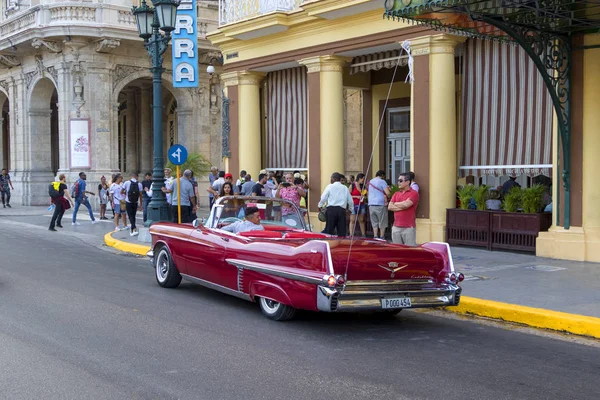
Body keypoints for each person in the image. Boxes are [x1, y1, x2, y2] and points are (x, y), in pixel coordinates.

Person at [388, 172, 420, 246]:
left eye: (401, 181)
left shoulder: (414, 193)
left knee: (410, 252)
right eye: (398, 180)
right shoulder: (396, 194)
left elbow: (406, 205)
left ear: (408, 182)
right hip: (396, 227)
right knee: (397, 251)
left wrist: (395, 203)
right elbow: (390, 207)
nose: (398, 182)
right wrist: (402, 205)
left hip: (408, 228)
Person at [318, 172, 354, 237]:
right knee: (341, 231)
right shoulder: (345, 188)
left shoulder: (329, 186)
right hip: (341, 211)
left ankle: (329, 244)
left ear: (334, 179)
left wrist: (320, 205)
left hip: (331, 210)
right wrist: (350, 210)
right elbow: (350, 201)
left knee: (329, 230)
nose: (330, 180)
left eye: (331, 178)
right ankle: (341, 244)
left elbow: (323, 197)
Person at [368, 170, 391, 239]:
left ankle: (375, 236)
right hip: (380, 204)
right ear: (383, 175)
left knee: (374, 222)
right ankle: (381, 236)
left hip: (371, 204)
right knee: (382, 221)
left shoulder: (371, 181)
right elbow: (388, 193)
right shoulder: (382, 181)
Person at [122, 172, 143, 236]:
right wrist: (141, 204)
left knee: (130, 215)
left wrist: (126, 194)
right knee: (133, 215)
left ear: (131, 176)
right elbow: (140, 195)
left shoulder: (126, 183)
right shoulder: (139, 184)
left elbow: (121, 191)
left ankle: (133, 228)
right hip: (135, 202)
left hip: (128, 201)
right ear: (137, 177)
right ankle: (133, 228)